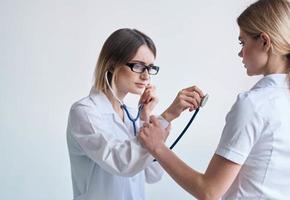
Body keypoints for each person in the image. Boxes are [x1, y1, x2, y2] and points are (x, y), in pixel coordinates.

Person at [138, 0, 290, 199]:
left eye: (243, 43)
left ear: (264, 41)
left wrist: (157, 146)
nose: (240, 53)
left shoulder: (254, 104)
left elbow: (209, 191)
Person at [66, 28, 203, 200]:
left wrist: (146, 118)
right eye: (138, 66)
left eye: (150, 68)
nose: (146, 76)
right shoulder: (85, 112)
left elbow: (152, 174)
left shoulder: (133, 115)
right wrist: (166, 116)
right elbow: (121, 162)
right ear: (111, 64)